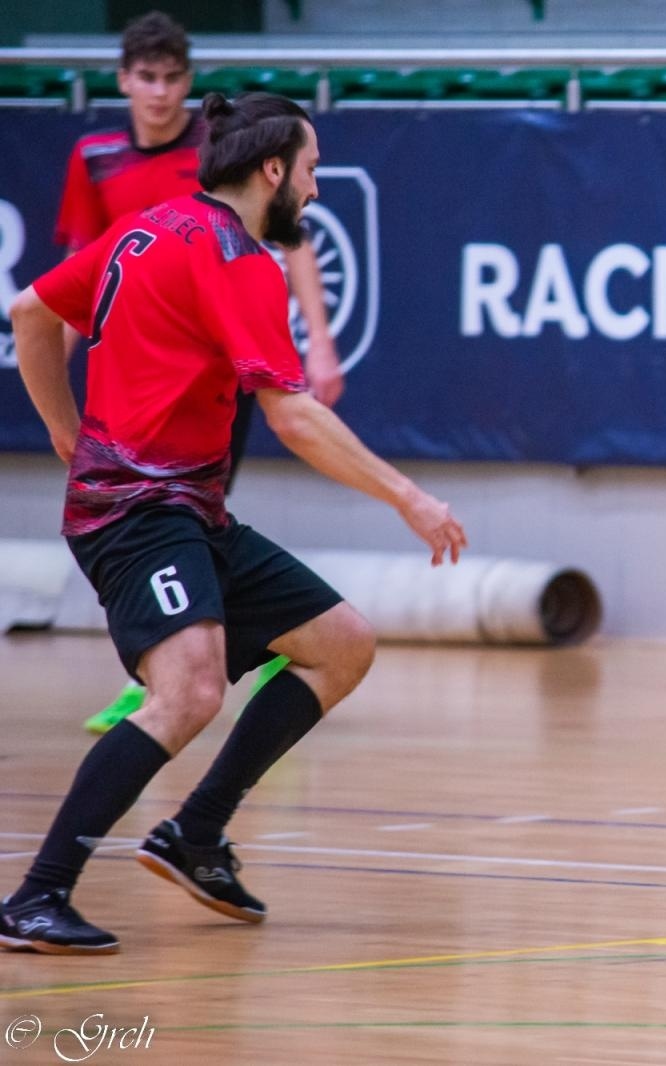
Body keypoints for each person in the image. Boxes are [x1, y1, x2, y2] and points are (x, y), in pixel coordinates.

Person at [0, 91, 467, 955]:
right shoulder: (239, 261)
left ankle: (196, 833)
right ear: (274, 170)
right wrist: (409, 496)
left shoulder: (148, 225)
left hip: (187, 510)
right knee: (190, 691)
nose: (319, 191)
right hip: (136, 515)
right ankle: (37, 894)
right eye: (315, 171)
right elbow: (293, 417)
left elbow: (30, 313)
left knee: (342, 643)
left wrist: (66, 432)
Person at [56, 11, 346, 734]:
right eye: (146, 77)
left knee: (199, 509)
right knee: (155, 521)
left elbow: (292, 239)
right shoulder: (94, 156)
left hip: (218, 359)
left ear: (189, 82)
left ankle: (199, 667)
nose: (160, 92)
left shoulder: (220, 150)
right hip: (134, 362)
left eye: (174, 77)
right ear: (122, 80)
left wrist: (321, 342)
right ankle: (174, 673)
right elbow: (73, 277)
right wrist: (61, 395)